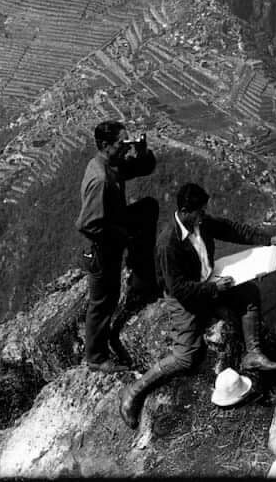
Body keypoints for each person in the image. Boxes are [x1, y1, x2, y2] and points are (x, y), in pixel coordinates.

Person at [118, 182, 276, 429]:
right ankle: (133, 391)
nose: (203, 215)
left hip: (208, 280)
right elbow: (179, 289)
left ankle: (253, 353)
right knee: (186, 356)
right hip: (186, 297)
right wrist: (214, 289)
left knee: (249, 292)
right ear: (185, 210)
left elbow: (230, 229)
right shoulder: (168, 244)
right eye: (199, 211)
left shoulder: (200, 223)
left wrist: (267, 240)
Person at [76, 121, 159, 373]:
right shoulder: (101, 178)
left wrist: (141, 151)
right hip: (100, 245)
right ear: (105, 145)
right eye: (121, 143)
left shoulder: (110, 164)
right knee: (103, 301)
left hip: (113, 224)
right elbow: (87, 225)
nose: (125, 147)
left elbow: (144, 168)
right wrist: (122, 237)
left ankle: (141, 279)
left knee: (147, 208)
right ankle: (96, 357)